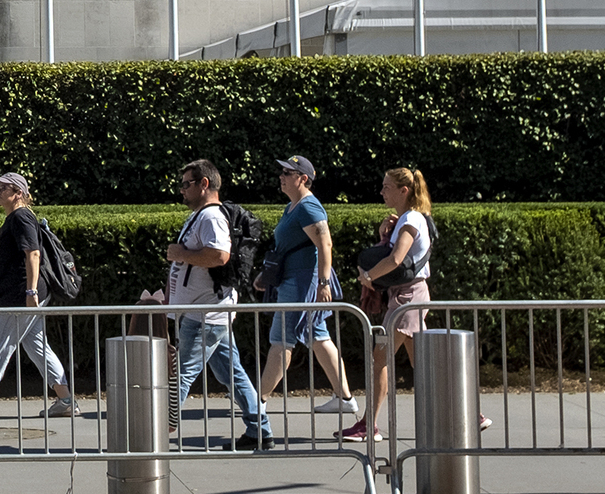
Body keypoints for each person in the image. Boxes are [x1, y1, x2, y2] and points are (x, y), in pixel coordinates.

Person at [166, 159, 273, 450]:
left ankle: (156, 433)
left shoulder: (211, 217)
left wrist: (180, 254)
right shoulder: (202, 215)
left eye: (186, 184)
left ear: (204, 184)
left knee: (181, 376)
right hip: (208, 311)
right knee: (233, 374)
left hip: (205, 314)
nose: (181, 191)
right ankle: (260, 430)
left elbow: (219, 256)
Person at [253, 156, 357, 420]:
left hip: (302, 283)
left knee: (281, 340)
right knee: (318, 338)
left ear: (303, 178)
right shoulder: (294, 206)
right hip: (295, 281)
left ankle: (258, 401)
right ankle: (345, 398)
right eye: (283, 171)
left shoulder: (309, 207)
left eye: (288, 172)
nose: (282, 175)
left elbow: (325, 245)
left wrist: (323, 283)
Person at [0, 172, 77, 419]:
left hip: (18, 295)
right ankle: (66, 400)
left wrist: (31, 291)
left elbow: (33, 255)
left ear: (18, 193)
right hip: (18, 293)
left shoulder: (21, 217)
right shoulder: (15, 218)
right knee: (38, 346)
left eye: (3, 187)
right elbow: (11, 261)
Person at [341, 169, 440, 441]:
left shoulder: (410, 219)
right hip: (409, 296)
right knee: (422, 362)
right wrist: (384, 233)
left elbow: (396, 259)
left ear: (403, 191)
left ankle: (367, 425)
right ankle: (464, 414)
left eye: (387, 187)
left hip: (407, 298)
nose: (382, 192)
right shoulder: (410, 219)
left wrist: (369, 277)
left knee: (380, 359)